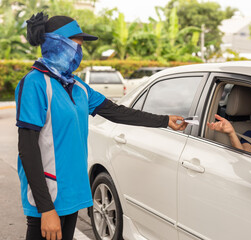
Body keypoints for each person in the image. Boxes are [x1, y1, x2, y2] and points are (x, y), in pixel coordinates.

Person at [16, 12, 187, 240]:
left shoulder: (77, 86)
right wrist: (45, 208)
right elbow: (27, 150)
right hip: (48, 196)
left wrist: (164, 120)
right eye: (77, 42)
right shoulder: (34, 84)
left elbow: (116, 112)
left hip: (72, 193)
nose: (80, 49)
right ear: (57, 42)